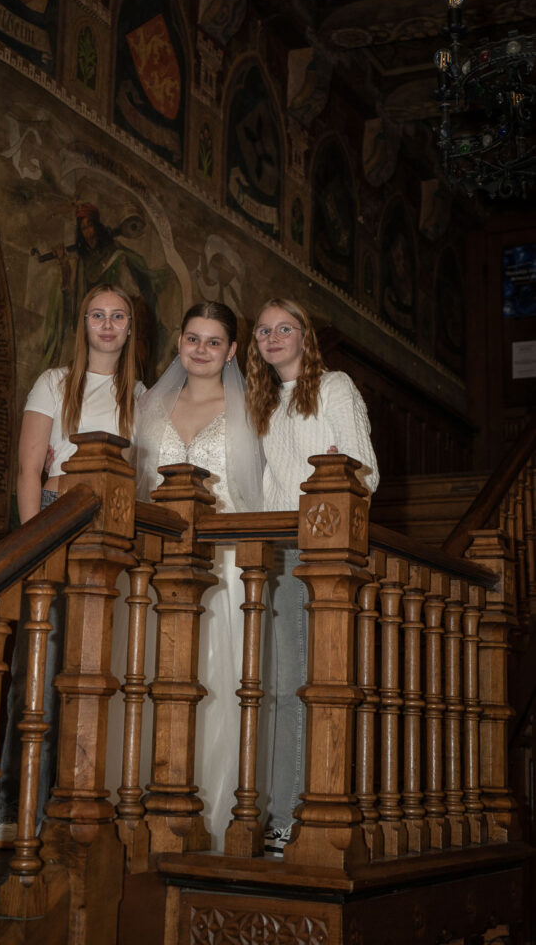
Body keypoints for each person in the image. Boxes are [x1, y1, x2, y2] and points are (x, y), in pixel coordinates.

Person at [0, 283, 145, 845]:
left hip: (115, 530)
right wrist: (35, 544)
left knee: (99, 669)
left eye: (118, 316)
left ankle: (76, 808)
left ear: (130, 327)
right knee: (39, 667)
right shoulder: (55, 382)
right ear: (83, 324)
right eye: (96, 315)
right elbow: (29, 468)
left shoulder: (143, 394)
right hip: (56, 520)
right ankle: (14, 809)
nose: (107, 325)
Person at [245, 297, 379, 853]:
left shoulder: (334, 387)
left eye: (285, 328)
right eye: (263, 331)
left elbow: (365, 473)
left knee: (303, 685)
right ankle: (277, 810)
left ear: (305, 336)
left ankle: (290, 818)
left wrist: (333, 479)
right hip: (270, 551)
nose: (273, 337)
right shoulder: (261, 402)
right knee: (273, 688)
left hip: (318, 552)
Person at [134, 301, 263, 850]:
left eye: (214, 342)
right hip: (157, 560)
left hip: (225, 563)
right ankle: (143, 807)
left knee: (216, 681)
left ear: (231, 351)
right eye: (193, 338)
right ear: (180, 343)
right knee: (150, 676)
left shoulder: (251, 408)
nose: (202, 350)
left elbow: (258, 490)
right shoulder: (149, 405)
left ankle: (212, 811)